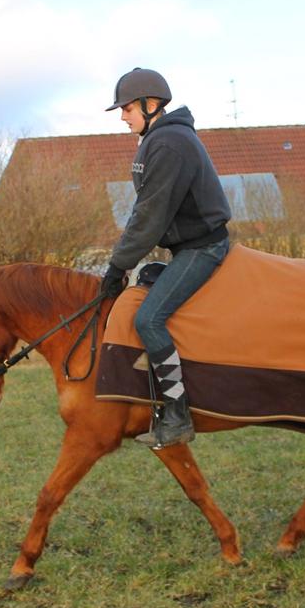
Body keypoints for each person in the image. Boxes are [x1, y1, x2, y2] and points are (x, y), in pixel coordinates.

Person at [100, 68, 232, 448]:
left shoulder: (169, 144)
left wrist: (117, 265)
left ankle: (177, 417)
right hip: (185, 248)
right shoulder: (158, 140)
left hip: (203, 248)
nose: (123, 117)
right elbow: (145, 212)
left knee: (149, 320)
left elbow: (149, 217)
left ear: (151, 104)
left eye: (127, 109)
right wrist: (124, 262)